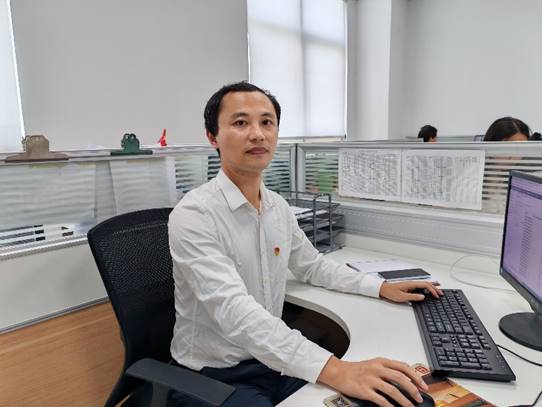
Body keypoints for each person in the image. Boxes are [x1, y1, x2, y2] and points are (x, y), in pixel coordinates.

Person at [168, 81, 442, 407]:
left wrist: (379, 287)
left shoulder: (277, 207)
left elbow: (313, 266)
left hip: (274, 359)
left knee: (405, 399)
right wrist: (336, 369)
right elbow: (234, 312)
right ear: (212, 136)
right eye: (241, 122)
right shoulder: (194, 214)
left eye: (267, 122)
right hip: (214, 374)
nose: (257, 134)